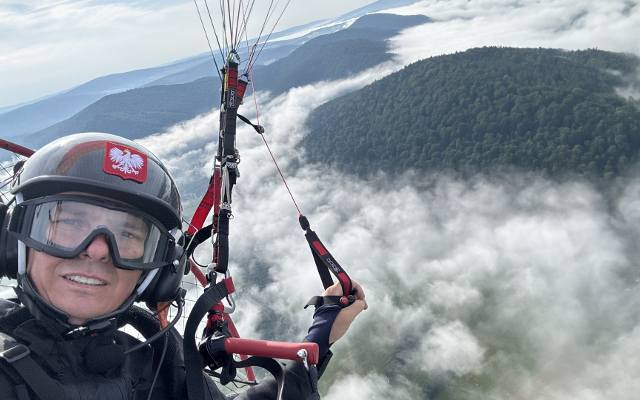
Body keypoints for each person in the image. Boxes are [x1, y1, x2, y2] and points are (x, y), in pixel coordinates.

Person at [0, 132, 367, 400]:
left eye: (128, 236)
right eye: (69, 223)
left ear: (161, 270)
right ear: (14, 238)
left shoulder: (152, 355)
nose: (97, 250)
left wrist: (321, 333)